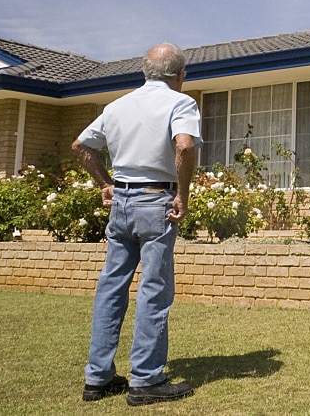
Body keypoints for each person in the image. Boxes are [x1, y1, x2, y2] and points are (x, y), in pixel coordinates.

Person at [73, 43, 202, 406]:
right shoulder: (180, 102)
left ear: (145, 72)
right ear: (179, 75)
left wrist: (104, 184)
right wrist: (182, 196)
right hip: (155, 201)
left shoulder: (117, 106)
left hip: (122, 205)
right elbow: (185, 146)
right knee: (154, 288)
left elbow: (80, 145)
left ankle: (97, 378)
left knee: (111, 287)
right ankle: (145, 379)